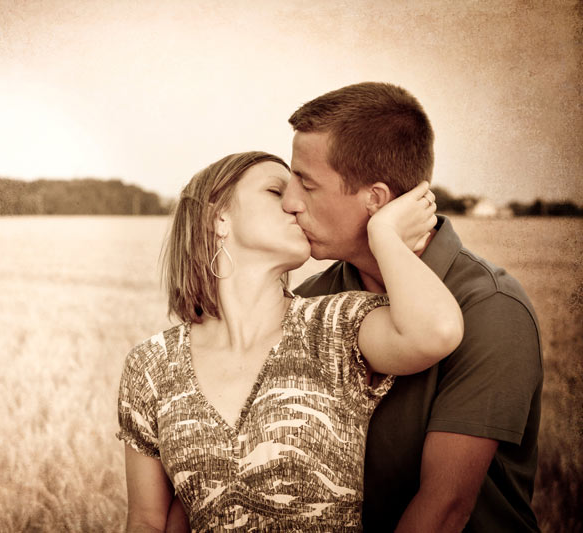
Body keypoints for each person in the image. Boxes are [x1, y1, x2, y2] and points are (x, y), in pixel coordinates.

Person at [115, 150, 464, 532]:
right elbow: (147, 521)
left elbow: (437, 331)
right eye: (275, 191)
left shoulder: (334, 326)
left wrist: (383, 234)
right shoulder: (151, 365)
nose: (296, 205)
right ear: (219, 217)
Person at [281, 82, 543, 532]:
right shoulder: (309, 303)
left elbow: (444, 510)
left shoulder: (492, 309)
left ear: (376, 200)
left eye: (306, 183)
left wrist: (386, 242)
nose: (289, 202)